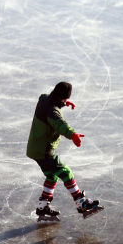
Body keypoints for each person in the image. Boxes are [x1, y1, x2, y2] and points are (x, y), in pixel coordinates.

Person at [26, 82, 101, 220]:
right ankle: (81, 203)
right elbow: (60, 124)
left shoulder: (43, 99)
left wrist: (63, 103)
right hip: (43, 151)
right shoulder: (53, 112)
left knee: (51, 176)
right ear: (63, 97)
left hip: (35, 148)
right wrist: (73, 135)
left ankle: (42, 207)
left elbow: (50, 101)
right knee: (65, 172)